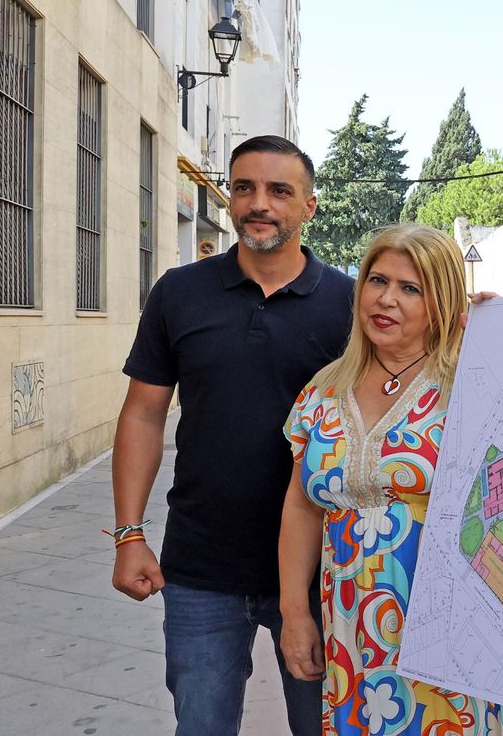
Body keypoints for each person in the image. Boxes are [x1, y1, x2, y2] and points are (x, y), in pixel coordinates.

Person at [111, 135, 354, 736]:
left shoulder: (350, 305)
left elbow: (422, 367)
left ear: (308, 207)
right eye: (243, 187)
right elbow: (143, 413)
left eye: (279, 190)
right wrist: (128, 534)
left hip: (323, 568)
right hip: (202, 565)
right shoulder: (179, 291)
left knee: (323, 728)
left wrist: (476, 319)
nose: (258, 203)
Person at [276, 225, 503, 736]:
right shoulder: (323, 392)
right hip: (351, 632)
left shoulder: (476, 382)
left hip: (452, 631)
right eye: (377, 280)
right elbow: (302, 507)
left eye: (411, 288)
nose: (386, 299)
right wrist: (294, 612)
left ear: (443, 301)